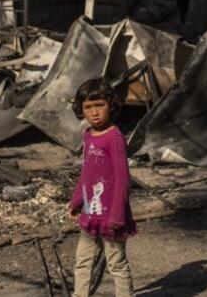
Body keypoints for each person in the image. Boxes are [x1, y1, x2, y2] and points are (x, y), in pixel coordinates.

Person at [69, 78, 135, 297]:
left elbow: (123, 180)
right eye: (88, 107)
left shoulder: (114, 138)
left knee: (116, 264)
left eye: (100, 105)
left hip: (112, 216)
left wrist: (117, 216)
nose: (94, 112)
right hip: (91, 213)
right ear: (81, 110)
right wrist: (77, 200)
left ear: (111, 105)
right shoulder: (88, 136)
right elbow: (87, 173)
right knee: (83, 261)